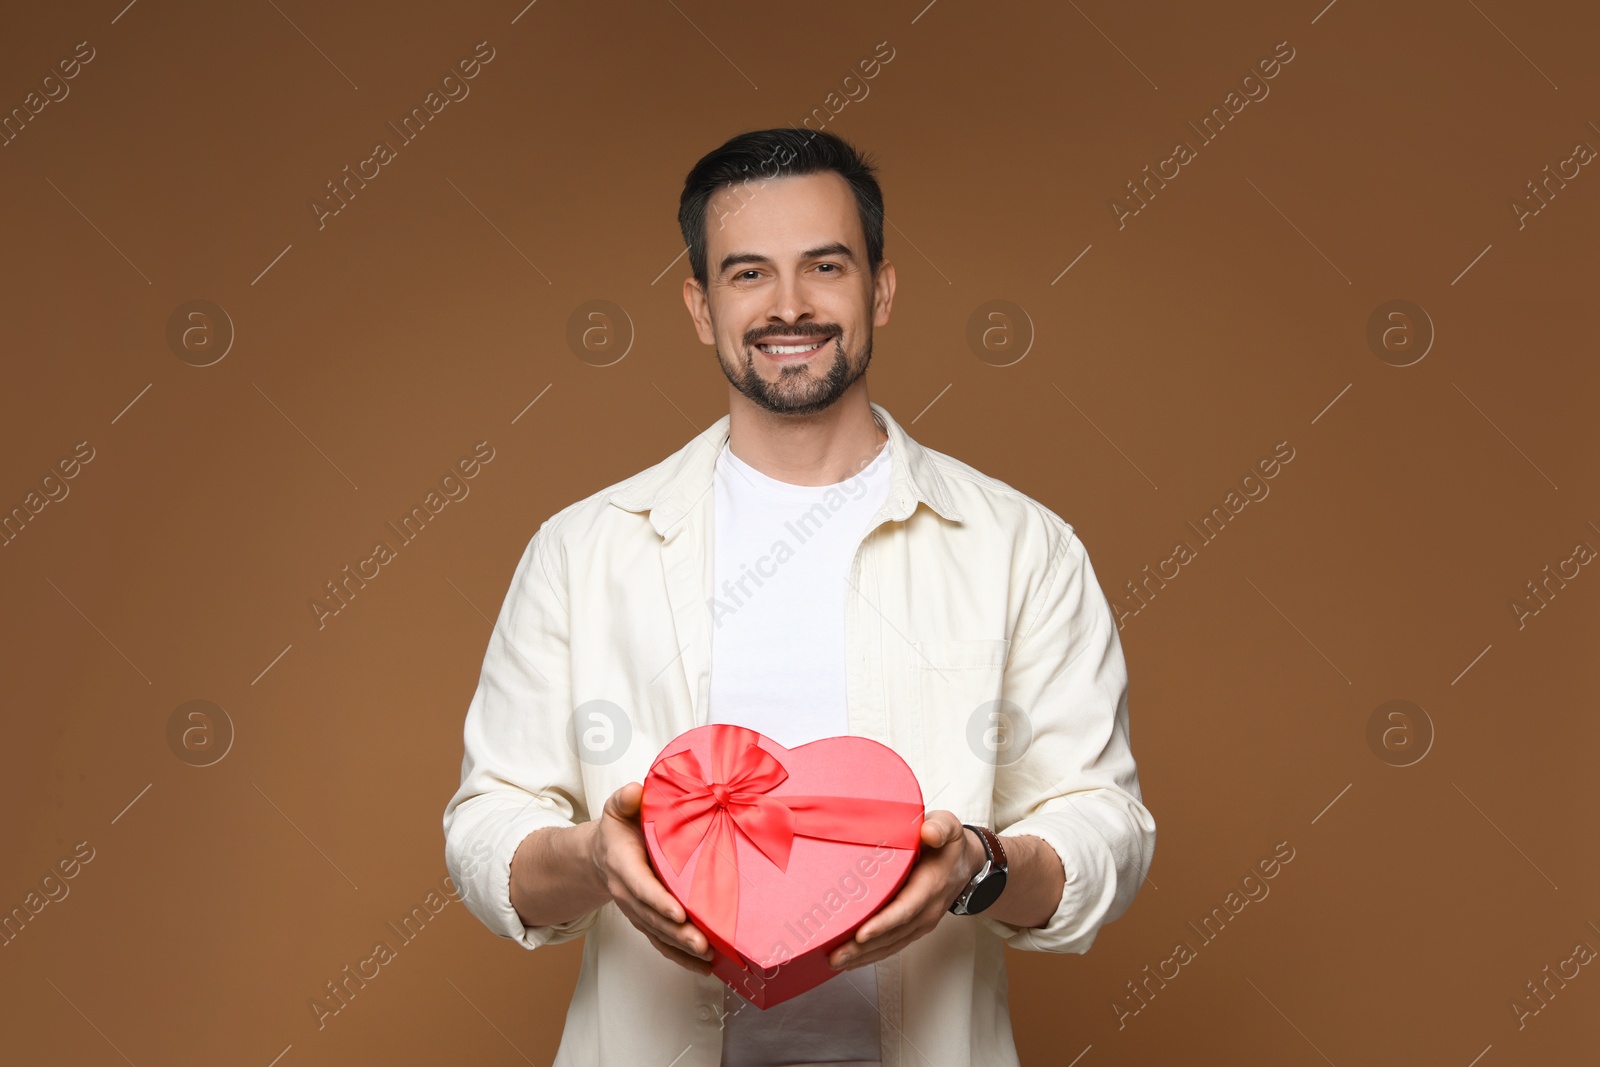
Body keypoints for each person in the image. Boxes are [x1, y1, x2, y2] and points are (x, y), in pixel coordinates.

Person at [442, 127, 1155, 1067]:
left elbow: (1103, 822)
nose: (789, 306)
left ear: (881, 288)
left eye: (824, 265)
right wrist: (594, 861)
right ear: (700, 306)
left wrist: (974, 869)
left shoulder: (1023, 546)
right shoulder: (584, 549)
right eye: (747, 274)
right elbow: (487, 821)